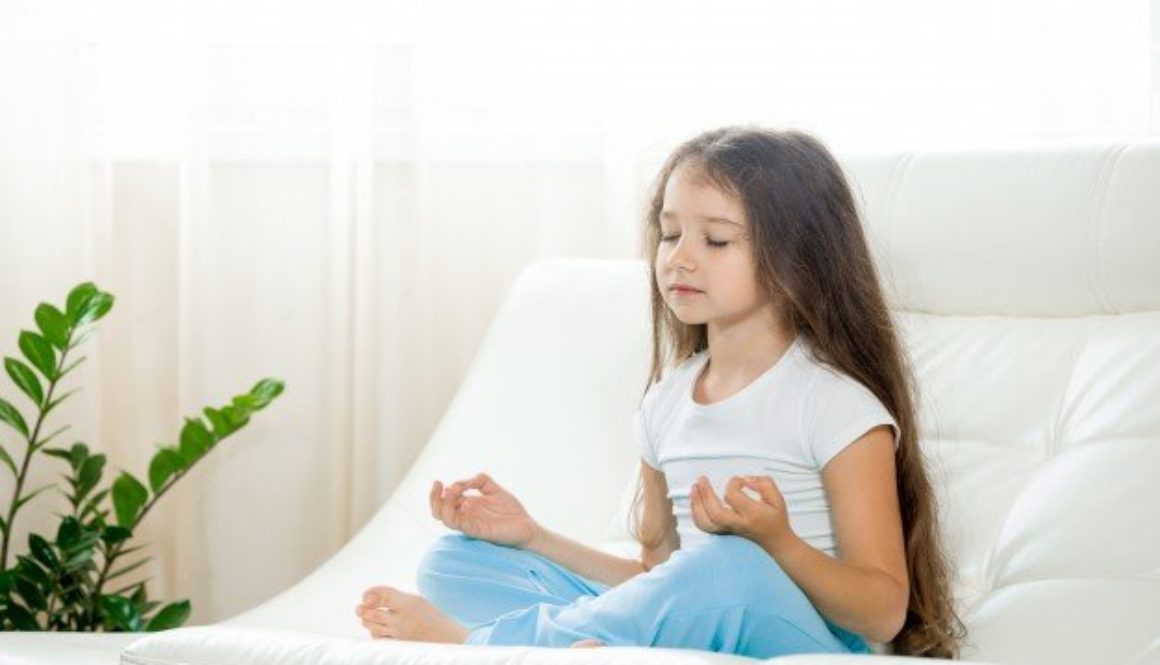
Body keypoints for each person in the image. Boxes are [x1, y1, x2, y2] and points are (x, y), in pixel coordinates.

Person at [354, 126, 968, 658]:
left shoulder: (834, 405)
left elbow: (883, 612)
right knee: (453, 563)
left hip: (811, 640)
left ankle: (481, 650)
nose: (680, 259)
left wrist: (777, 544)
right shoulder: (667, 402)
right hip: (696, 606)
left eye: (716, 240)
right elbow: (654, 577)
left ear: (797, 257)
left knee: (729, 566)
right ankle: (585, 647)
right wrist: (531, 536)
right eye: (670, 235)